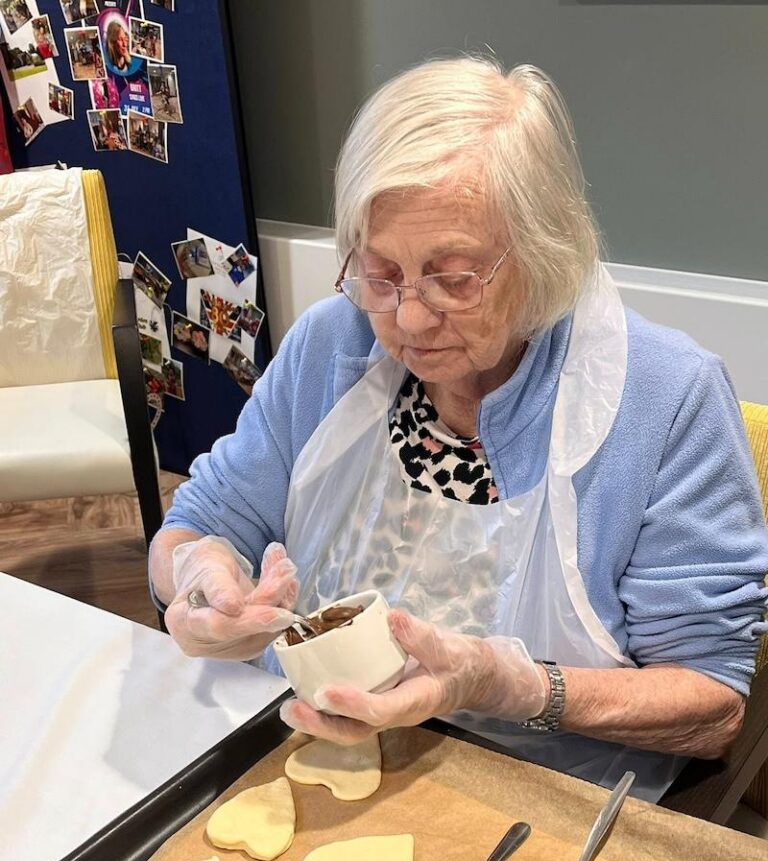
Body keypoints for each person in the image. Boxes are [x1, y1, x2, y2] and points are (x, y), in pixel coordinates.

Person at [149, 57, 768, 801]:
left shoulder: (666, 401)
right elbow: (200, 523)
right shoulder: (332, 345)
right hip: (304, 750)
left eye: (454, 278)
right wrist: (198, 584)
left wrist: (512, 686)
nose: (407, 318)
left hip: (535, 798)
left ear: (544, 255)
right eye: (379, 273)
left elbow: (712, 703)